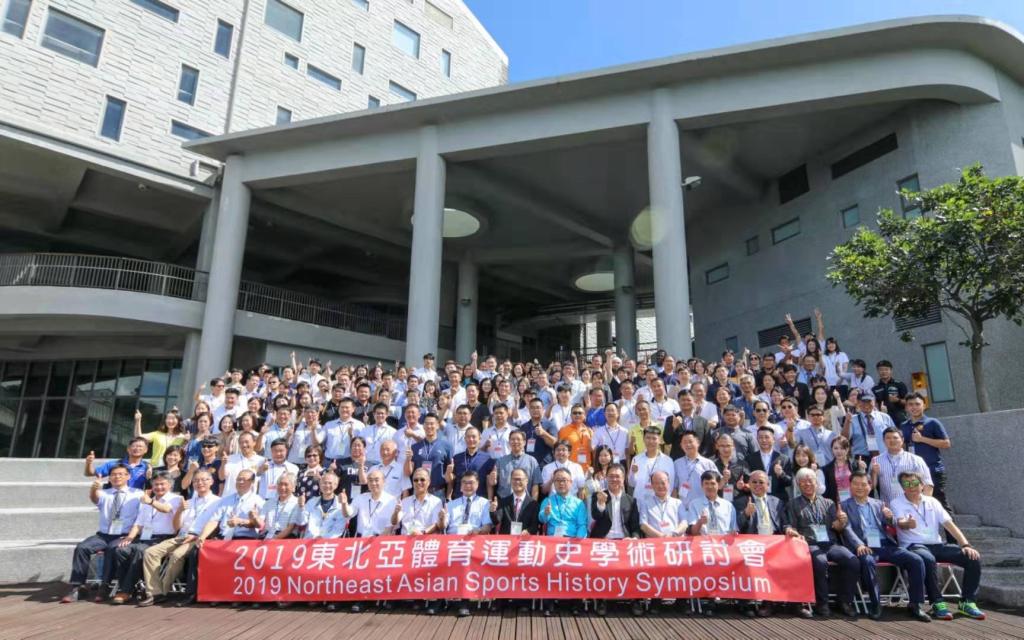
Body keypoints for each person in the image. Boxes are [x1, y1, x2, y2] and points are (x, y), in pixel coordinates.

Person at [892, 470, 986, 620]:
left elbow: (949, 525)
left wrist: (966, 545)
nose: (911, 486)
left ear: (922, 485)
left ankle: (967, 602)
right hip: (913, 545)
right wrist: (908, 523)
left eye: (915, 483)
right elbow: (900, 522)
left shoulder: (933, 502)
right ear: (902, 487)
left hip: (937, 544)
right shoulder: (896, 502)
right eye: (906, 484)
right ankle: (937, 602)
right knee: (928, 559)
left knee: (972, 557)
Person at [840, 471, 930, 622]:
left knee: (916, 560)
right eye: (855, 484)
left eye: (863, 484)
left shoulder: (879, 504)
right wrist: (859, 544)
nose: (859, 487)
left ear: (870, 486)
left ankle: (916, 604)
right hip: (865, 546)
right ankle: (876, 604)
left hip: (885, 545)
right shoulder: (844, 506)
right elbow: (846, 528)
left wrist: (890, 518)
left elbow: (891, 524)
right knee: (867, 561)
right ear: (850, 486)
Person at [784, 468, 859, 618]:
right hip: (809, 544)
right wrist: (791, 531)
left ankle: (844, 601)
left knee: (852, 561)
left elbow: (837, 527)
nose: (807, 484)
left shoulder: (828, 503)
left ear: (816, 483)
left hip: (830, 544)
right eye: (803, 481)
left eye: (810, 480)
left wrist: (841, 522)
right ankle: (822, 603)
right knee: (820, 561)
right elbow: (789, 526)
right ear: (798, 485)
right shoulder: (792, 504)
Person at [62, 464, 143, 603]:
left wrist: (132, 535)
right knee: (82, 548)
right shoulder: (104, 493)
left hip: (124, 535)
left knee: (112, 548)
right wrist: (93, 489)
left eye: (121, 474)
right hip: (103, 535)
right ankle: (78, 587)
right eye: (113, 474)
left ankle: (104, 587)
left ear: (128, 476)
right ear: (109, 478)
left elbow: (142, 518)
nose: (117, 477)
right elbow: (95, 498)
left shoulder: (138, 494)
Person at [139, 469, 220, 606]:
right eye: (196, 480)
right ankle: (155, 592)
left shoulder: (218, 501)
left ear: (211, 481)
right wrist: (180, 511)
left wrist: (198, 536)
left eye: (204, 480)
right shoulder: (188, 501)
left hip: (200, 537)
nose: (200, 483)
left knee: (176, 555)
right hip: (181, 536)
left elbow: (216, 523)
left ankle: (162, 592)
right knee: (150, 552)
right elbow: (177, 527)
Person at [109, 471, 182, 604]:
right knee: (121, 550)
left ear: (170, 485)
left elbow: (165, 509)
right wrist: (129, 538)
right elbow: (138, 523)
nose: (159, 487)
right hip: (145, 538)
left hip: (164, 538)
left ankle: (125, 590)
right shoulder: (146, 501)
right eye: (156, 484)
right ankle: (129, 587)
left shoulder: (176, 499)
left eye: (162, 484)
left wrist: (151, 502)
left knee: (140, 551)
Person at [734, 470, 788, 618]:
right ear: (749, 484)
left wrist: (788, 529)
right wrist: (746, 514)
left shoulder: (776, 502)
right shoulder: (740, 502)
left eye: (761, 482)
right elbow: (737, 527)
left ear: (768, 484)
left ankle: (771, 602)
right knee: (745, 560)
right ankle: (744, 604)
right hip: (751, 543)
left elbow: (784, 523)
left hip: (774, 544)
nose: (757, 485)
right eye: (754, 482)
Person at [539, 468, 588, 616]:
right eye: (558, 480)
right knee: (548, 567)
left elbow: (582, 525)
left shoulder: (579, 503)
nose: (561, 483)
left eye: (564, 480)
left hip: (573, 541)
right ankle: (549, 603)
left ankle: (575, 603)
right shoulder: (547, 501)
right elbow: (541, 519)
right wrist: (546, 513)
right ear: (553, 483)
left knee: (577, 566)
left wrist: (577, 542)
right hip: (552, 542)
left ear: (571, 482)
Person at [445, 470, 492, 617]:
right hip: (452, 542)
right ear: (460, 486)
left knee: (465, 557)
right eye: (464, 483)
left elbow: (487, 526)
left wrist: (478, 530)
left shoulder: (485, 503)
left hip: (474, 542)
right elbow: (443, 526)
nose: (467, 486)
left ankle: (464, 601)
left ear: (477, 484)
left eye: (471, 483)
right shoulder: (451, 504)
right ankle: (439, 599)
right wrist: (441, 519)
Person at [900, 392, 951, 508]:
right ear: (906, 407)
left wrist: (922, 439)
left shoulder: (932, 422)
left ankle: (948, 521)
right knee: (918, 504)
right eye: (911, 404)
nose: (914, 407)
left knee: (939, 503)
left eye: (917, 404)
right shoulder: (904, 425)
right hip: (913, 472)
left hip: (932, 469)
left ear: (924, 405)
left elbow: (946, 444)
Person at [872, 427, 933, 506]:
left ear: (902, 440)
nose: (892, 440)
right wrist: (873, 473)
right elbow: (871, 486)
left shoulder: (915, 460)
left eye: (895, 438)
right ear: (883, 441)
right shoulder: (876, 460)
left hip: (912, 507)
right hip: (888, 508)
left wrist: (922, 506)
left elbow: (928, 484)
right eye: (888, 438)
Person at [408, 413, 454, 500]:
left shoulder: (447, 446)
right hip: (418, 491)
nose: (429, 426)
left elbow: (450, 472)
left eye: (432, 424)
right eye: (427, 423)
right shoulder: (415, 447)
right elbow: (409, 472)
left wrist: (449, 495)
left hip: (438, 491)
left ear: (437, 426)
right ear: (423, 426)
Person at [627, 427, 675, 505]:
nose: (651, 441)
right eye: (648, 438)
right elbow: (631, 483)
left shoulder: (667, 461)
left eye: (654, 438)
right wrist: (633, 473)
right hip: (639, 502)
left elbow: (671, 484)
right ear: (643, 439)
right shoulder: (637, 459)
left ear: (660, 440)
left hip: (658, 504)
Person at [744, 426, 792, 503]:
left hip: (779, 500)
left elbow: (789, 482)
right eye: (760, 437)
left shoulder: (784, 459)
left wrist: (781, 474)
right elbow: (747, 479)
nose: (764, 440)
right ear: (757, 439)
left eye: (767, 437)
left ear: (773, 439)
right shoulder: (750, 458)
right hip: (757, 499)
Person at [662, 390, 714, 459]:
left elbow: (707, 444)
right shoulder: (671, 419)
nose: (686, 402)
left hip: (698, 460)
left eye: (688, 400)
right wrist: (673, 428)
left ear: (694, 401)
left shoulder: (703, 421)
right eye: (683, 400)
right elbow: (667, 440)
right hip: (677, 460)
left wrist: (701, 458)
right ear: (678, 402)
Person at [674, 431, 718, 510]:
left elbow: (718, 485)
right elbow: (674, 487)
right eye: (684, 442)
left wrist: (725, 479)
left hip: (703, 508)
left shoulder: (708, 463)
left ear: (698, 443)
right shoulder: (676, 463)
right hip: (683, 508)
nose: (688, 445)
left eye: (690, 441)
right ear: (681, 446)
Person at [842, 394, 891, 464]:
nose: (866, 405)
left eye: (869, 402)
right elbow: (844, 439)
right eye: (864, 402)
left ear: (874, 402)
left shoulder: (884, 417)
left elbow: (894, 434)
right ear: (859, 403)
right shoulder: (852, 419)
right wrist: (847, 422)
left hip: (884, 457)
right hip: (861, 459)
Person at [84, 439, 151, 490]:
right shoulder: (115, 464)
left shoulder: (147, 467)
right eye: (134, 446)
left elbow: (150, 487)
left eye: (140, 446)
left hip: (135, 500)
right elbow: (89, 473)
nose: (137, 448)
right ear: (128, 449)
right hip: (114, 498)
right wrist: (88, 463)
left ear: (146, 450)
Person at [490, 468, 540, 535]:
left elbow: (535, 526)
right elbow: (496, 521)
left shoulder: (533, 504)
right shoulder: (503, 502)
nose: (517, 482)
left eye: (519, 479)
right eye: (514, 479)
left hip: (524, 539)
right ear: (510, 481)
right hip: (507, 539)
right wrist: (492, 511)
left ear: (526, 481)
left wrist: (528, 531)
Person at [687, 470, 738, 535]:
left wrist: (734, 533)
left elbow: (734, 530)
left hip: (723, 540)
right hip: (703, 541)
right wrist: (700, 522)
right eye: (706, 483)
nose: (709, 487)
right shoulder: (694, 504)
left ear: (718, 485)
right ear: (702, 485)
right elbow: (692, 532)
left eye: (713, 483)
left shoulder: (728, 506)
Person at [494, 429, 540, 499]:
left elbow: (535, 485)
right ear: (509, 442)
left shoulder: (532, 461)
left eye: (518, 439)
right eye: (512, 439)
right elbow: (493, 481)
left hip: (525, 502)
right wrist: (492, 480)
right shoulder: (500, 461)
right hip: (503, 501)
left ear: (524, 442)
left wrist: (533, 503)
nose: (515, 441)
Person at [256, 472, 301, 540]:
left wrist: (273, 540)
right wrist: (254, 517)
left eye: (286, 484)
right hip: (267, 537)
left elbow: (290, 527)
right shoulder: (269, 502)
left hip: (286, 539)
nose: (282, 487)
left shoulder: (297, 503)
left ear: (293, 487)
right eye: (280, 484)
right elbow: (261, 522)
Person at [452, 427, 495, 498]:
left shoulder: (487, 459)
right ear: (465, 439)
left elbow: (489, 482)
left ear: (479, 439)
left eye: (474, 437)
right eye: (468, 437)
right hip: (459, 498)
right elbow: (452, 480)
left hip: (480, 498)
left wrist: (490, 499)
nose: (471, 439)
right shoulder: (457, 458)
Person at [516, 397, 560, 467]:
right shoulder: (524, 427)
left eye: (538, 407)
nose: (535, 410)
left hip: (544, 465)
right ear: (529, 410)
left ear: (543, 409)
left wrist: (544, 434)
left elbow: (555, 444)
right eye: (532, 408)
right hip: (527, 464)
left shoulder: (550, 424)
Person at [219, 432, 265, 497]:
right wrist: (223, 464)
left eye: (246, 442)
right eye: (241, 442)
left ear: (254, 442)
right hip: (230, 497)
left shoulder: (261, 461)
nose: (244, 445)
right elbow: (221, 477)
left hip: (250, 499)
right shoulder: (230, 459)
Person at [822, 436, 864, 504]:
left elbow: (863, 484)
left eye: (842, 448)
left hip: (855, 502)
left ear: (847, 449)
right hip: (836, 504)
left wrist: (862, 469)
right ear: (832, 449)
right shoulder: (826, 469)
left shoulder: (855, 465)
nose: (839, 451)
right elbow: (826, 492)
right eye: (836, 448)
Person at [557, 404, 594, 472]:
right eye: (575, 413)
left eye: (580, 413)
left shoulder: (589, 430)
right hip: (570, 469)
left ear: (584, 415)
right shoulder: (563, 430)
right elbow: (559, 450)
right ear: (571, 415)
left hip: (587, 469)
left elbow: (593, 450)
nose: (577, 415)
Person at [872, 360, 908, 425]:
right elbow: (875, 405)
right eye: (881, 370)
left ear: (891, 371)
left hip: (900, 418)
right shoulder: (875, 388)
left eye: (886, 369)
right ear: (878, 371)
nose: (884, 372)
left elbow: (908, 402)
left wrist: (898, 400)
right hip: (883, 419)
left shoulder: (899, 384)